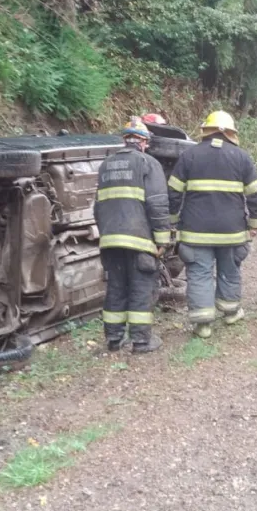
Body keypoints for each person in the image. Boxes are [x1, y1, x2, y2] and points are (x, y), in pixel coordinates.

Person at [167, 110, 257, 338]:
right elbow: (255, 194)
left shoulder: (189, 156)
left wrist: (172, 223)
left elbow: (173, 193)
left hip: (195, 232)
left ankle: (203, 325)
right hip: (231, 232)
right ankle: (231, 313)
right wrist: (255, 224)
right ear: (231, 133)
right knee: (230, 271)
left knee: (199, 274)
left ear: (206, 131)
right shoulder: (242, 157)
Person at [94, 117, 171, 354]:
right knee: (140, 288)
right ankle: (141, 341)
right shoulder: (149, 164)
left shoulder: (105, 165)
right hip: (140, 241)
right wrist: (162, 239)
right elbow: (157, 205)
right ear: (144, 142)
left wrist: (106, 233)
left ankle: (114, 340)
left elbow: (98, 206)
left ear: (124, 140)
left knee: (116, 287)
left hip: (110, 240)